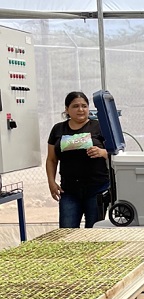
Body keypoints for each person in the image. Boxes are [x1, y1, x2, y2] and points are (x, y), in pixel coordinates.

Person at [46, 91, 110, 228]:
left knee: (94, 231)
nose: (80, 109)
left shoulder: (100, 127)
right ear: (67, 109)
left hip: (96, 188)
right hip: (69, 190)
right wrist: (51, 182)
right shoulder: (58, 129)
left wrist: (102, 152)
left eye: (84, 106)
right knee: (67, 231)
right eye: (75, 106)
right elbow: (51, 159)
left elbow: (115, 152)